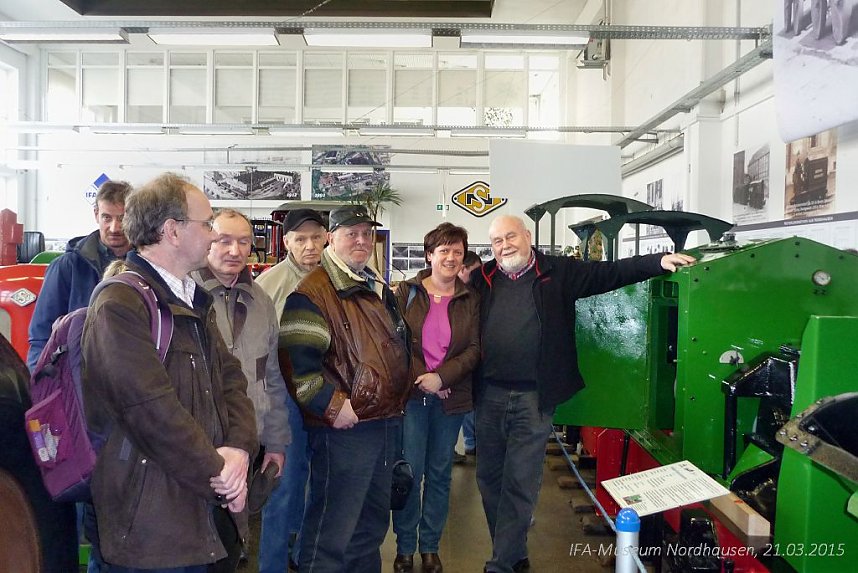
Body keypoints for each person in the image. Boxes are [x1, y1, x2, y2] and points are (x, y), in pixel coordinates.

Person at [471, 215, 694, 573]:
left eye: (510, 236)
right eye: (496, 241)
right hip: (489, 395)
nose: (504, 245)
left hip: (535, 397)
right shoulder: (482, 279)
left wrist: (656, 261)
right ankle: (512, 551)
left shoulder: (559, 272)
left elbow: (610, 273)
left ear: (527, 236)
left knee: (520, 481)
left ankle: (501, 564)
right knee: (489, 480)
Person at [80, 172, 258, 572]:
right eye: (207, 224)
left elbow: (233, 382)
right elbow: (150, 411)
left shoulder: (193, 299)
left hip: (199, 514)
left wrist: (240, 450)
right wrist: (221, 474)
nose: (214, 235)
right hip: (149, 526)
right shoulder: (120, 304)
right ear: (172, 230)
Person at [282, 204, 411, 573]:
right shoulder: (313, 292)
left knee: (370, 527)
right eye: (351, 233)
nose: (360, 240)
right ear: (331, 238)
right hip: (345, 430)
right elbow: (297, 365)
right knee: (331, 529)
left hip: (383, 423)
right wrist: (332, 405)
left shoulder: (376, 287)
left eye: (366, 234)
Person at [191, 208, 292, 573]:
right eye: (224, 240)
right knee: (197, 549)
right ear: (207, 241)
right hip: (197, 448)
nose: (235, 250)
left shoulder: (262, 302)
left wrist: (277, 443)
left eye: (244, 241)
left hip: (250, 443)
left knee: (232, 548)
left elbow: (274, 377)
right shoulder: (186, 296)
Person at [392, 224, 480, 573]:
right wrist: (424, 380)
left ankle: (430, 547)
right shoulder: (406, 294)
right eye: (443, 250)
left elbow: (475, 348)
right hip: (413, 397)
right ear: (429, 255)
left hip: (451, 398)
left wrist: (442, 377)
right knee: (410, 472)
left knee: (441, 474)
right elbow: (394, 342)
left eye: (457, 251)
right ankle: (404, 547)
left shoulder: (470, 299)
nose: (451, 257)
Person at [255, 208, 327, 573]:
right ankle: (271, 565)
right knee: (283, 485)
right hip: (285, 399)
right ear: (286, 242)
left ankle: (303, 558)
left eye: (316, 237)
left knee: (321, 485)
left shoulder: (336, 279)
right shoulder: (268, 284)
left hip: (328, 397)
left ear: (327, 238)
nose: (310, 246)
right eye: (301, 239)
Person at [28, 180, 132, 370]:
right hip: (77, 377)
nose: (115, 228)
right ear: (96, 215)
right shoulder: (66, 267)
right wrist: (39, 384)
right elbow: (41, 335)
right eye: (107, 218)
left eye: (122, 218)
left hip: (132, 376)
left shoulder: (148, 265)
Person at [454, 250, 483, 464]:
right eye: (475, 272)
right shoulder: (455, 294)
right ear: (463, 269)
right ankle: (469, 443)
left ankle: (472, 443)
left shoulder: (476, 293)